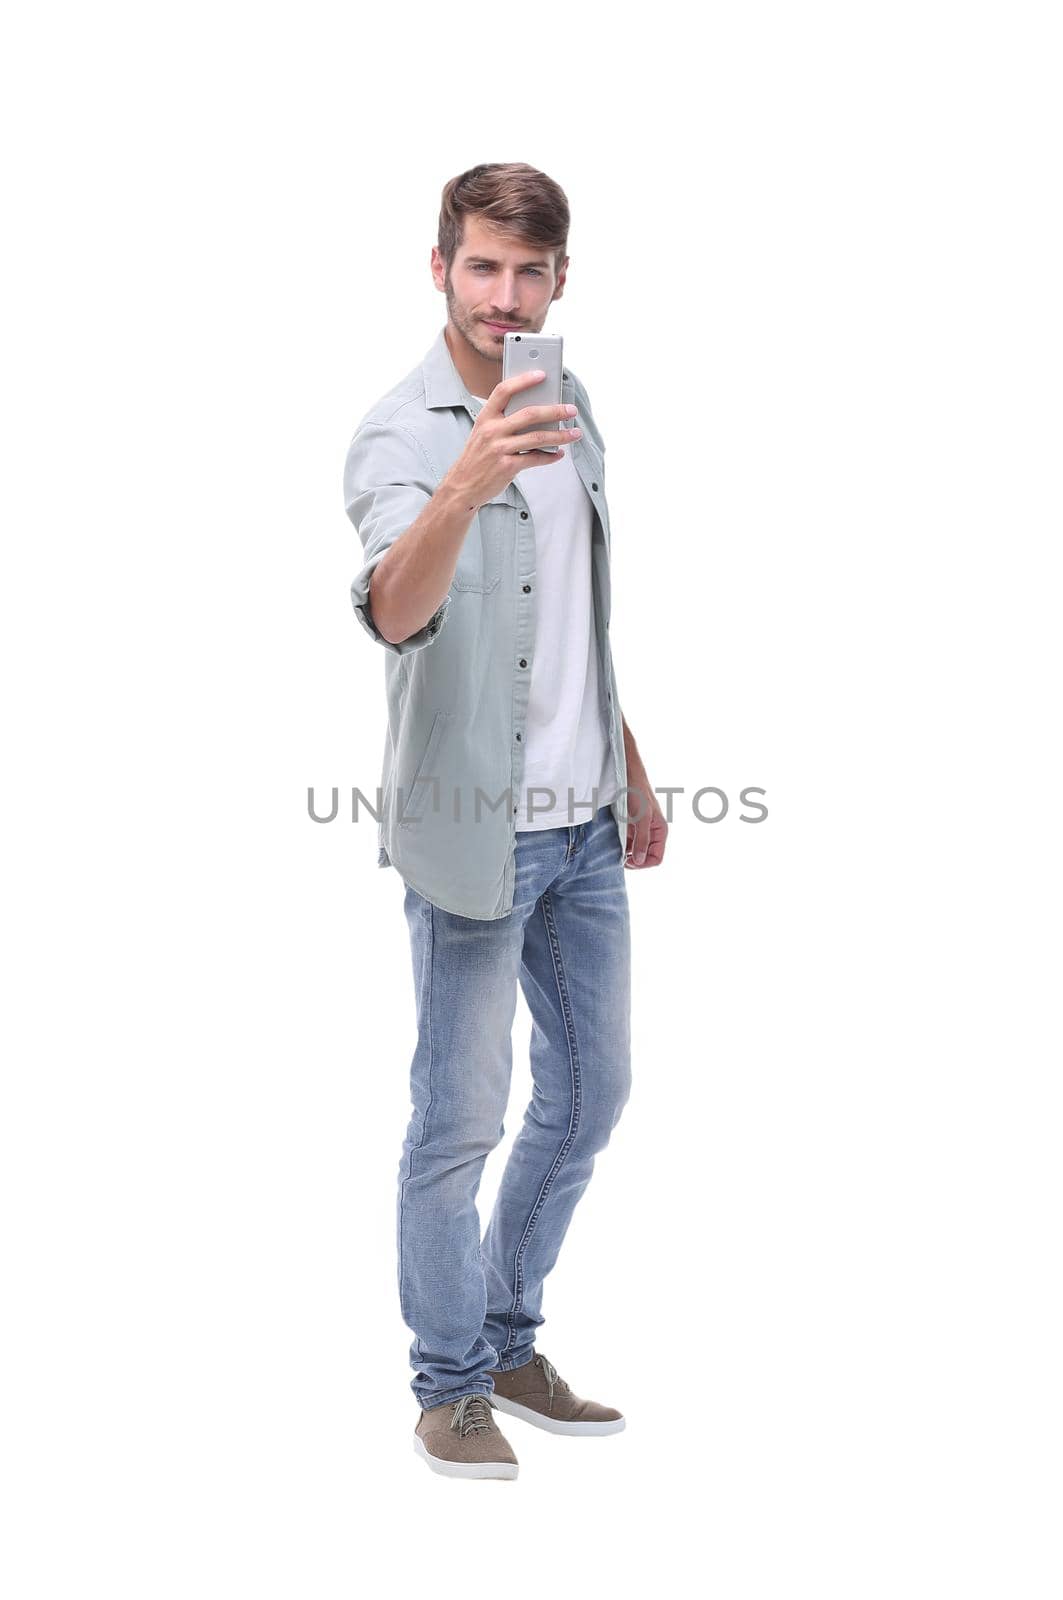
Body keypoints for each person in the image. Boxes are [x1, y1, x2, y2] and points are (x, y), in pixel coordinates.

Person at [342, 162, 667, 1480]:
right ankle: (446, 1384)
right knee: (458, 1121)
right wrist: (470, 477)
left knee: (590, 1096)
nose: (505, 295)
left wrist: (632, 767)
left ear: (561, 279)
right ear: (440, 269)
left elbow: (574, 616)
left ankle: (507, 1338)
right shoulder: (401, 435)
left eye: (530, 272)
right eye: (483, 268)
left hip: (584, 825)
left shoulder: (569, 399)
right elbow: (393, 612)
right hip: (476, 831)